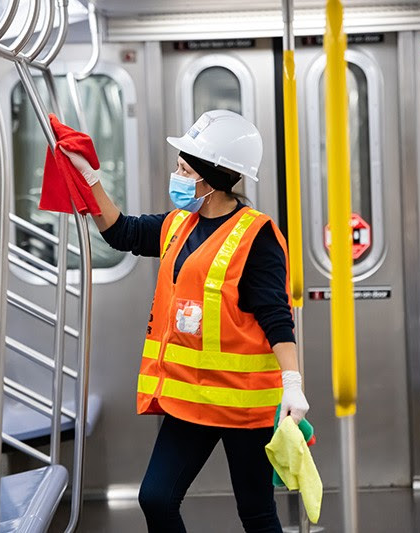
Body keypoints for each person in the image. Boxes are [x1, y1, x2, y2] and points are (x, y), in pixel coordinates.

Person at [63, 109, 310, 532]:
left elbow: (275, 315)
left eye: (183, 168)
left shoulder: (257, 235)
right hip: (192, 401)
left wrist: (292, 383)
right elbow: (123, 233)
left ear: (209, 178)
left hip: (242, 405)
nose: (176, 175)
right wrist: (89, 179)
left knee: (255, 512)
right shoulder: (179, 223)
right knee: (155, 499)